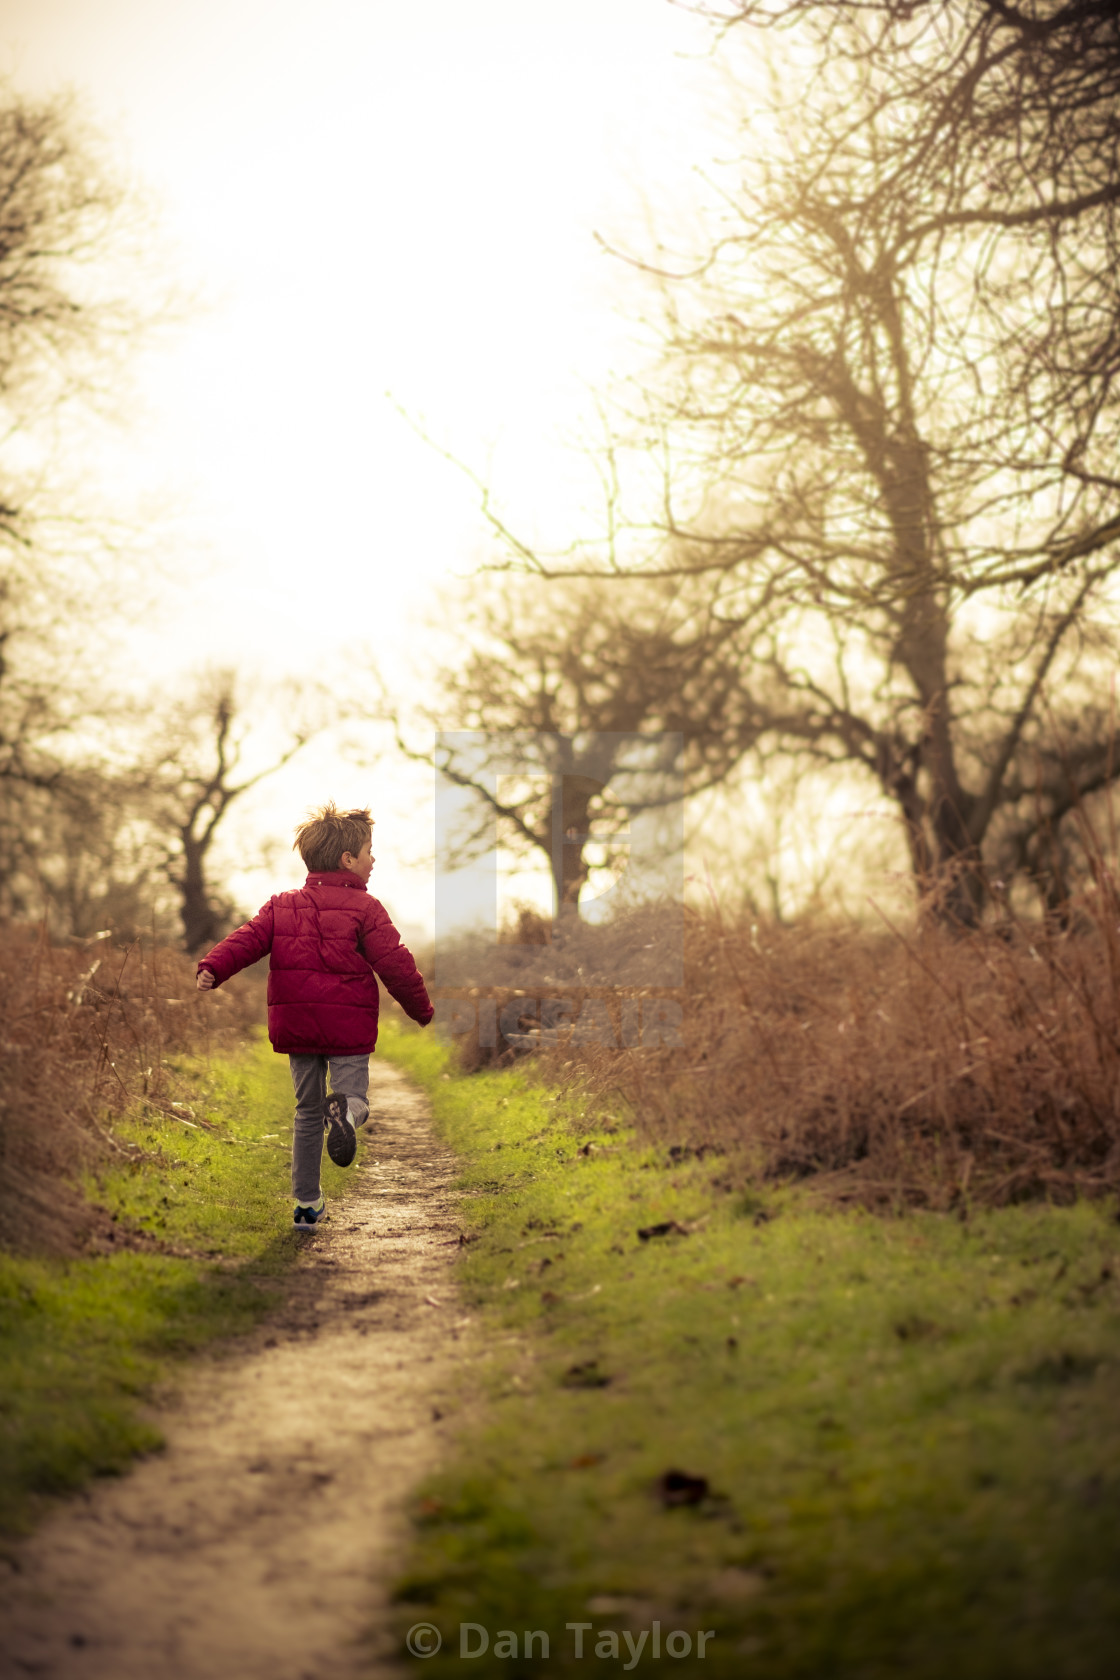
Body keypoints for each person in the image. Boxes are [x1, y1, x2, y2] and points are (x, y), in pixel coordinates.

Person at [195, 802, 434, 1230]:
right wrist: (421, 1010)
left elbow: (246, 940)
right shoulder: (367, 909)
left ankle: (306, 1205)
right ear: (347, 860)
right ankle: (345, 1114)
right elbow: (396, 964)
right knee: (353, 1097)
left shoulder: (281, 905)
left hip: (298, 1025)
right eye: (368, 851)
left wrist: (213, 967)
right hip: (348, 1028)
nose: (373, 859)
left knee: (306, 1111)